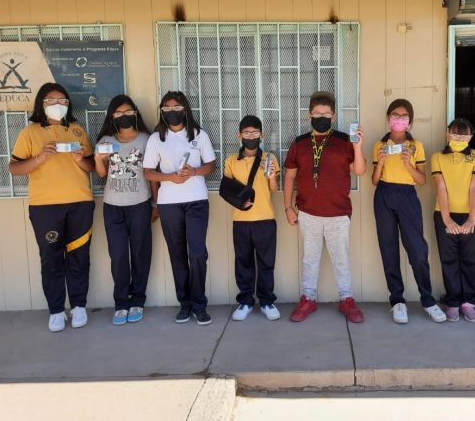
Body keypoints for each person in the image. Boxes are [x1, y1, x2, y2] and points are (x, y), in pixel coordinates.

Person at [9, 82, 95, 332]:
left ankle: (78, 306)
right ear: (41, 104)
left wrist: (80, 159)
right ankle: (56, 310)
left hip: (80, 203)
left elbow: (92, 167)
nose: (58, 105)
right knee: (51, 258)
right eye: (52, 100)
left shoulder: (77, 130)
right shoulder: (30, 133)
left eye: (63, 101)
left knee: (79, 257)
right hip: (45, 207)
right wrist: (40, 158)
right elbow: (14, 168)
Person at [283, 91, 367, 323]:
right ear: (309, 115)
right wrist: (288, 208)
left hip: (338, 213)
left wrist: (358, 147)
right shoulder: (299, 143)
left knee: (341, 259)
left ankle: (346, 299)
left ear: (333, 116)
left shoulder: (344, 141)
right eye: (317, 114)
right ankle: (308, 298)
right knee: (309, 259)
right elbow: (289, 177)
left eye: (327, 114)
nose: (322, 117)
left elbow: (360, 171)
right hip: (308, 212)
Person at [143, 91, 216, 326]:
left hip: (196, 201)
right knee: (177, 254)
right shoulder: (156, 139)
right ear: (162, 111)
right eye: (167, 108)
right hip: (168, 203)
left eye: (177, 107)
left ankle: (199, 305)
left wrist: (194, 171)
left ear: (185, 110)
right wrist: (169, 177)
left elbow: (211, 165)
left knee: (197, 253)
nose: (172, 112)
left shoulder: (199, 135)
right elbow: (148, 172)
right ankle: (185, 304)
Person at [372, 99, 446, 324]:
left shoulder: (416, 146)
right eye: (395, 115)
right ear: (388, 118)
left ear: (410, 121)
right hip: (384, 194)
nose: (399, 119)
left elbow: (422, 180)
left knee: (417, 249)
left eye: (404, 116)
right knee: (388, 248)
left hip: (407, 195)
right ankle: (397, 301)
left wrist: (408, 164)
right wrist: (381, 162)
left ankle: (428, 300)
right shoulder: (380, 145)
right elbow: (374, 180)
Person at [94, 94, 159, 326]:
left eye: (128, 112)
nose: (124, 116)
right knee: (118, 256)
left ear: (135, 112)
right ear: (112, 116)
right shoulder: (105, 140)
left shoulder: (146, 140)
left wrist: (155, 204)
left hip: (140, 204)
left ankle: (137, 300)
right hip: (113, 206)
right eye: (119, 113)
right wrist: (98, 158)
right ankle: (121, 303)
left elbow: (152, 175)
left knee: (141, 254)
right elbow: (101, 174)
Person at [223, 115, 281, 321]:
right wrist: (240, 201)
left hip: (265, 218)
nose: (250, 136)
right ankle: (245, 302)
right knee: (243, 262)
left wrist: (271, 176)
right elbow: (227, 190)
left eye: (255, 132)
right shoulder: (231, 160)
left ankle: (266, 301)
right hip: (240, 220)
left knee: (266, 263)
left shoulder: (270, 158)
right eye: (246, 133)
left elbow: (274, 189)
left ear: (262, 134)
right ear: (239, 135)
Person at [431, 118, 475, 323]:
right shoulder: (438, 157)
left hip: (472, 214)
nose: (459, 139)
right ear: (447, 134)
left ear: (470, 137)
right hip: (444, 214)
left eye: (464, 135)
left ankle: (468, 302)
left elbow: (474, 186)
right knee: (449, 258)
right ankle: (453, 302)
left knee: (471, 258)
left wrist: (472, 218)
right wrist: (447, 219)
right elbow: (441, 186)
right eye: (455, 134)